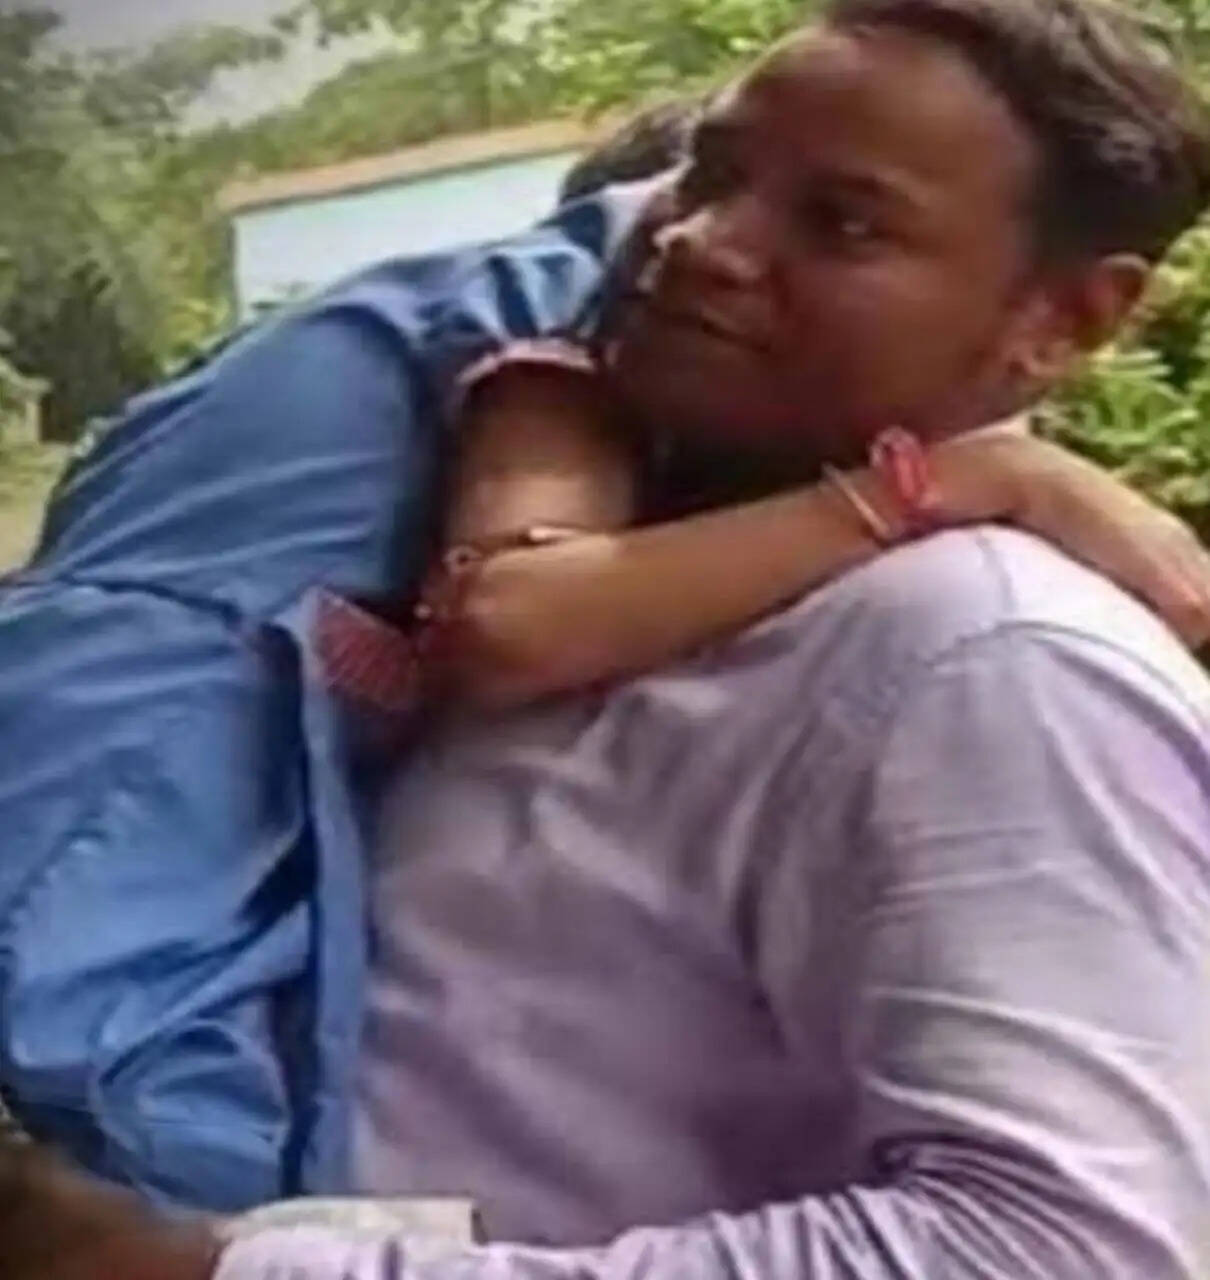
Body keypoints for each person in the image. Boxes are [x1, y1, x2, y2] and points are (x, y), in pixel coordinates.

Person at [9, 0, 1210, 1276]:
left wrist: (209, 1269)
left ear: (1066, 318)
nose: (700, 241)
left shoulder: (983, 658)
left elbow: (1067, 1249)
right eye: (712, 171)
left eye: (843, 223)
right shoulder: (608, 509)